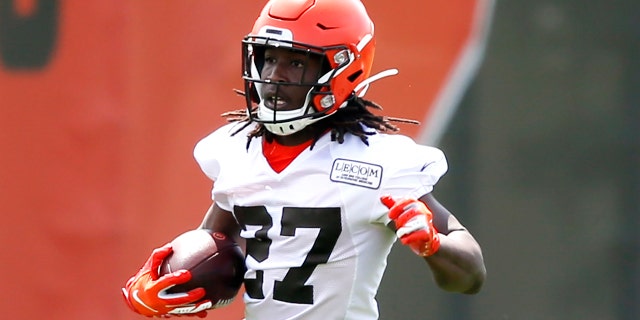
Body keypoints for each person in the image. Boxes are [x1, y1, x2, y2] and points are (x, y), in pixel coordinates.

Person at [121, 0, 486, 319]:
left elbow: (471, 276)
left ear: (345, 68)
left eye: (296, 63)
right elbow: (213, 244)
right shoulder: (237, 150)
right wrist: (161, 284)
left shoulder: (378, 163)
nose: (274, 77)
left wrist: (433, 246)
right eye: (270, 58)